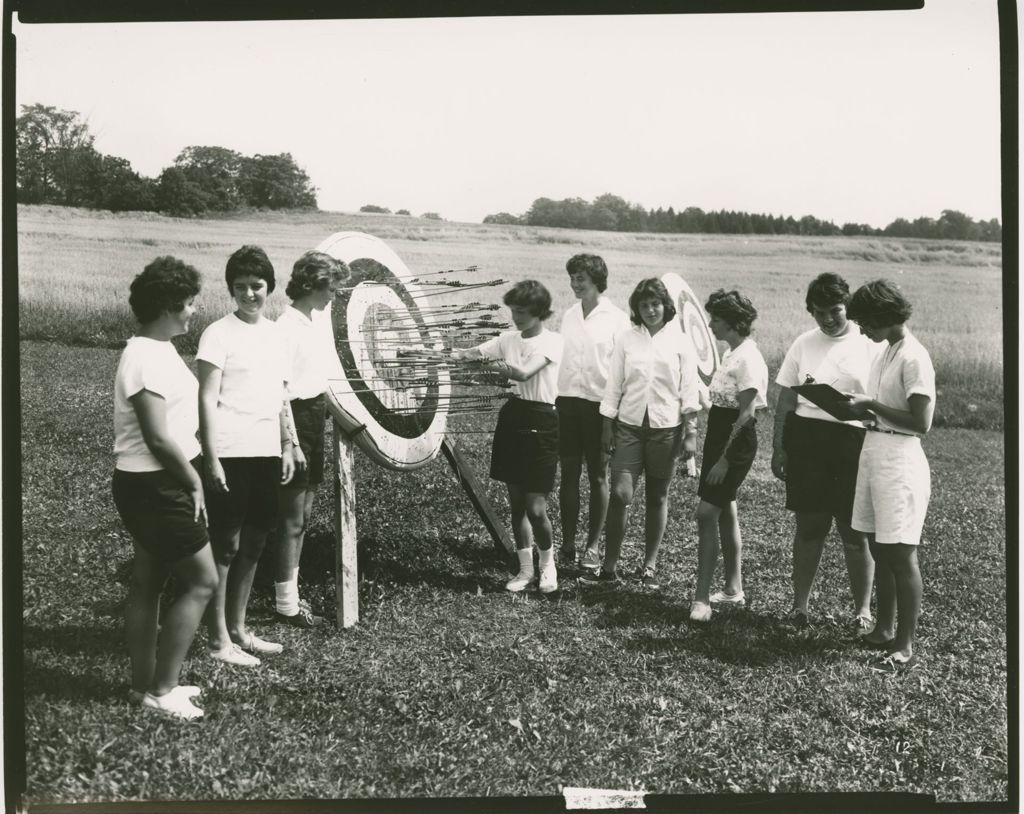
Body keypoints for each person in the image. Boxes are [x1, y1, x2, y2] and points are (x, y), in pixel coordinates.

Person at [112, 256, 218, 719]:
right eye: (191, 303)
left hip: (150, 483)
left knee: (150, 581)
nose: (194, 310)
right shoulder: (144, 356)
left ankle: (143, 687)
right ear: (171, 305)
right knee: (202, 581)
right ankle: (162, 690)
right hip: (157, 485)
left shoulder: (156, 349)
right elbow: (157, 437)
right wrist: (192, 478)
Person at [197, 245, 297, 666]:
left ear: (269, 287)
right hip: (230, 452)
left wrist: (288, 444)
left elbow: (280, 395)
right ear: (231, 290)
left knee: (256, 543)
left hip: (266, 453)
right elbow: (206, 397)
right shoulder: (217, 333)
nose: (249, 294)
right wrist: (212, 456)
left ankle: (239, 629)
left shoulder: (276, 333)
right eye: (240, 287)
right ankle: (219, 638)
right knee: (225, 546)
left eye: (256, 286)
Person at [772, 273, 880, 631]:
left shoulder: (870, 343)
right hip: (808, 441)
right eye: (819, 312)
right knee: (809, 528)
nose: (828, 319)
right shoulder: (803, 343)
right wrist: (780, 447)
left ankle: (863, 611)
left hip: (853, 442)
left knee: (855, 533)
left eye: (835, 310)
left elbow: (884, 399)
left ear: (846, 306)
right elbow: (787, 398)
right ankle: (799, 608)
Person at [580, 278, 701, 589]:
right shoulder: (626, 339)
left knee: (657, 496)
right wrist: (607, 426)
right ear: (636, 308)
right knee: (621, 494)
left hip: (667, 430)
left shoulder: (681, 342)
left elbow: (689, 391)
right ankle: (609, 568)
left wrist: (691, 433)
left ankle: (649, 566)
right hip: (629, 428)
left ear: (666, 306)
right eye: (644, 305)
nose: (650, 310)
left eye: (655, 304)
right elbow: (613, 385)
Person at [843, 280, 934, 668]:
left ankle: (906, 644)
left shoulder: (914, 356)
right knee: (881, 548)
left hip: (900, 460)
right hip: (876, 451)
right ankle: (883, 629)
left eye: (865, 322)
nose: (862, 330)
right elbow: (882, 409)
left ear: (883, 316)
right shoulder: (885, 353)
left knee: (900, 551)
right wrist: (860, 409)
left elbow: (922, 422)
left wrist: (873, 405)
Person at [452, 280, 564, 593]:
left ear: (540, 312)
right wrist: (452, 355)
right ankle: (525, 570)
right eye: (513, 311)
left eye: (523, 312)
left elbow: (525, 372)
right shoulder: (507, 338)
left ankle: (548, 567)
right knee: (516, 504)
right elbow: (472, 353)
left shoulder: (553, 342)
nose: (516, 317)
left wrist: (488, 364)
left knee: (535, 506)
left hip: (543, 419)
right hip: (514, 417)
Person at [271, 251, 350, 628]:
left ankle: (289, 592)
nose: (335, 294)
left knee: (302, 515)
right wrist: (293, 442)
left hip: (314, 416)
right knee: (290, 518)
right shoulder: (285, 328)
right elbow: (278, 391)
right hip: (294, 423)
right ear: (312, 285)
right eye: (332, 287)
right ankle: (285, 603)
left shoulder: (312, 321)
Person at [690, 289, 767, 623]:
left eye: (716, 319)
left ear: (734, 322)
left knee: (706, 514)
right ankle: (733, 589)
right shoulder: (733, 353)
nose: (711, 324)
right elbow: (724, 402)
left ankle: (702, 599)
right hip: (718, 438)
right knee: (725, 512)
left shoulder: (749, 357)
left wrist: (724, 459)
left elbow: (747, 414)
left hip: (733, 445)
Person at [555, 254, 629, 571]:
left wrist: (611, 417)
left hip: (599, 407)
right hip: (568, 402)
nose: (575, 283)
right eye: (572, 277)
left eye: (581, 278)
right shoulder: (569, 315)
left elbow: (620, 370)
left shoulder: (617, 318)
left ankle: (593, 546)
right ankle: (568, 544)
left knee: (598, 475)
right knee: (569, 474)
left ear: (597, 280)